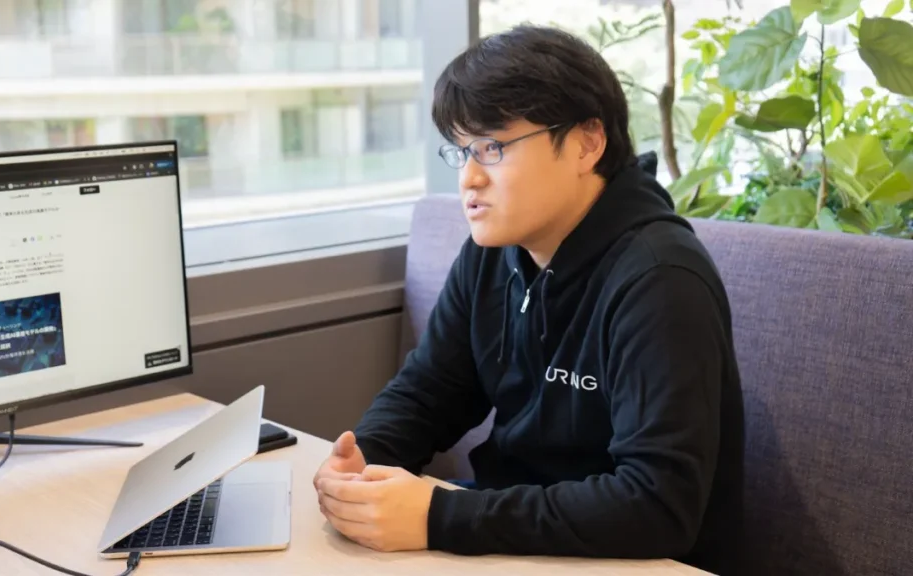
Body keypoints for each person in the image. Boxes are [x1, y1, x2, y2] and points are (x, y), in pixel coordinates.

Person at [312, 23, 744, 576]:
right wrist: (362, 460)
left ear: (587, 142)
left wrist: (440, 515)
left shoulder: (661, 278)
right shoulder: (495, 252)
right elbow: (430, 391)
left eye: (492, 148)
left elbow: (657, 505)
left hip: (640, 560)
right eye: (462, 151)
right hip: (512, 538)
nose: (469, 179)